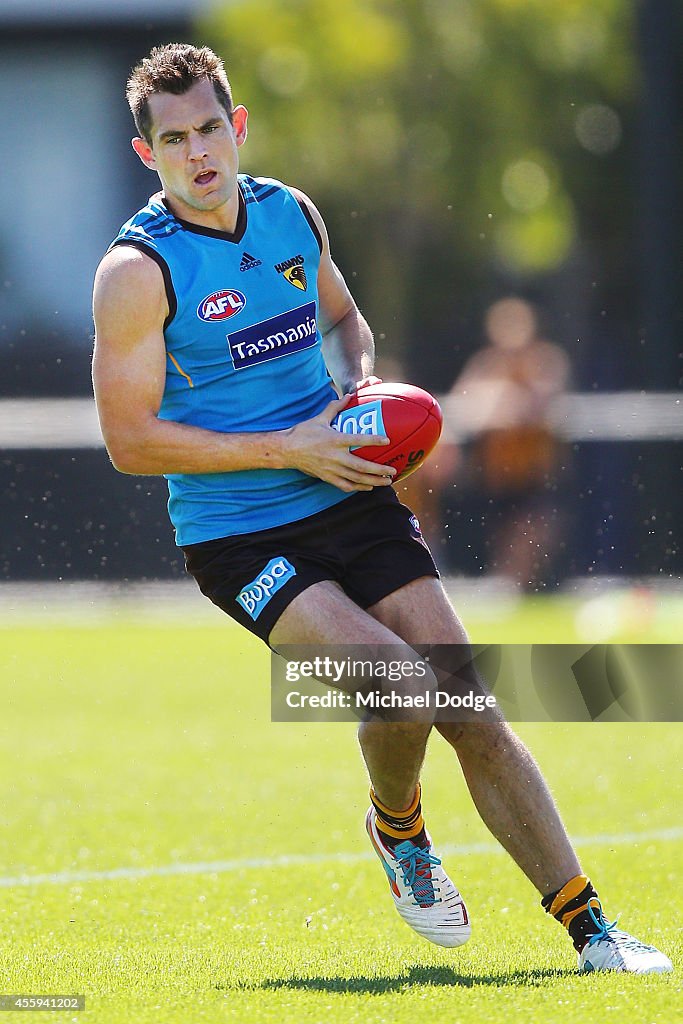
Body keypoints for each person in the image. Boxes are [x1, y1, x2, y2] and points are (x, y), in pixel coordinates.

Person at [92, 43, 672, 974]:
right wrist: (289, 446)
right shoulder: (135, 273)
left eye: (209, 129)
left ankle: (591, 930)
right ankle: (400, 829)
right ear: (145, 154)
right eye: (174, 140)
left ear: (235, 127)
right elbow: (129, 441)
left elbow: (346, 322)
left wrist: (361, 390)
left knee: (469, 707)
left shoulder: (290, 215)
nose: (197, 153)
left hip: (347, 495)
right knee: (400, 689)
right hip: (239, 536)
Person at [450, 298, 570, 587]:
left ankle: (520, 585)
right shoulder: (485, 365)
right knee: (499, 532)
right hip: (494, 473)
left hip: (533, 472)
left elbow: (543, 405)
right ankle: (505, 585)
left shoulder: (544, 361)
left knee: (532, 529)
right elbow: (462, 406)